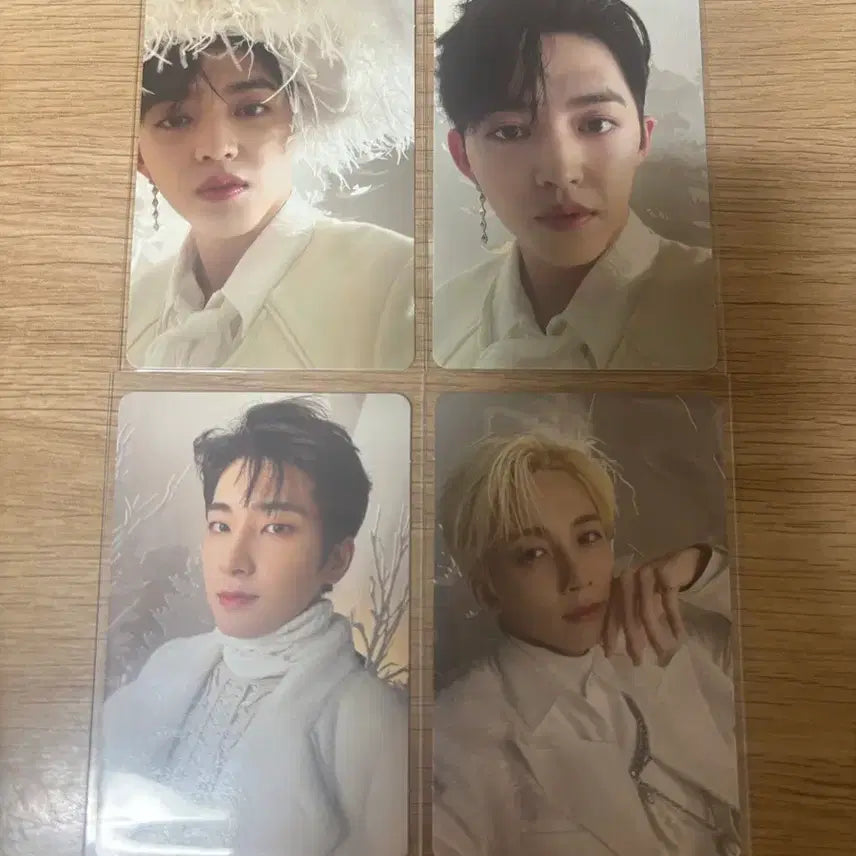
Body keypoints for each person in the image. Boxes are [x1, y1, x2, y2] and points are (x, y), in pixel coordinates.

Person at [97, 399, 409, 856]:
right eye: (220, 525)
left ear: (336, 559)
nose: (234, 561)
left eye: (276, 528)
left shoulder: (367, 717)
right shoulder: (169, 664)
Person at [433, 432, 742, 856]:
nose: (577, 577)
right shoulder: (458, 736)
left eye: (588, 537)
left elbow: (802, 636)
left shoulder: (671, 634)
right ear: (487, 589)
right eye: (533, 554)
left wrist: (701, 567)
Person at [127, 0, 414, 370]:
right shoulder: (131, 310)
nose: (217, 148)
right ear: (139, 156)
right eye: (176, 120)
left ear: (297, 120)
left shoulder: (396, 280)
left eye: (251, 110)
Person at [433, 0, 718, 370]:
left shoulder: (723, 303)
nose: (561, 170)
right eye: (510, 131)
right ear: (464, 158)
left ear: (643, 138)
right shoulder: (439, 322)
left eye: (596, 124)